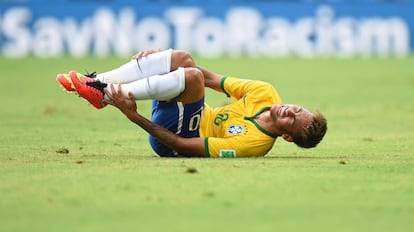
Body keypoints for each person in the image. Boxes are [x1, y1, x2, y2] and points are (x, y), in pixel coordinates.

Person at [56, 49, 327, 157]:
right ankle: (96, 83)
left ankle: (104, 94)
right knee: (185, 60)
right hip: (183, 112)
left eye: (292, 119)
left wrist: (134, 116)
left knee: (192, 77)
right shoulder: (266, 93)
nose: (289, 110)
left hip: (171, 140)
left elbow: (182, 145)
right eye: (297, 109)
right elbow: (210, 77)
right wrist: (160, 63)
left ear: (286, 137)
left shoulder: (253, 145)